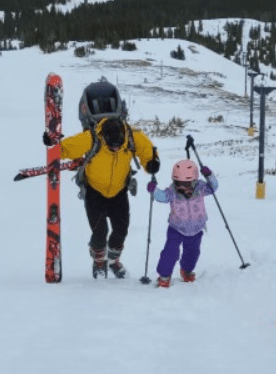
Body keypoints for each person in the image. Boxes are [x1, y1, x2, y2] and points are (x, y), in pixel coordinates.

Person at [45, 111, 160, 279]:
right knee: (100, 232)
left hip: (119, 192)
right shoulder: (92, 137)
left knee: (121, 231)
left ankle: (113, 260)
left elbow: (146, 150)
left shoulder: (132, 136)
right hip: (94, 192)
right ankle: (99, 260)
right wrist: (53, 143)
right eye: (112, 146)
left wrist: (151, 163)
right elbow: (67, 148)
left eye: (119, 145)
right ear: (104, 138)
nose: (116, 148)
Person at [147, 159, 218, 287]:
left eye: (187, 183)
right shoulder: (172, 191)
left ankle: (187, 271)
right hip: (176, 229)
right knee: (170, 253)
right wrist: (154, 190)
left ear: (195, 180)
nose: (183, 187)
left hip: (196, 229)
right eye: (179, 182)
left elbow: (213, 187)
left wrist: (209, 175)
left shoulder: (201, 188)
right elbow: (162, 197)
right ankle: (164, 275)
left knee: (193, 252)